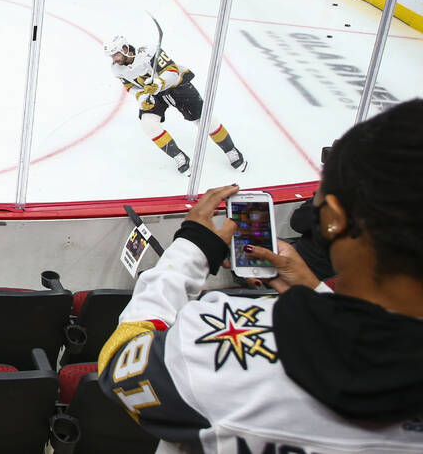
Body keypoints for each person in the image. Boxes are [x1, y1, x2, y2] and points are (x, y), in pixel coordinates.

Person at [98, 99, 423, 452]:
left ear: (333, 218)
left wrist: (192, 250)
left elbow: (122, 367)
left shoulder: (219, 338)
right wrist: (315, 291)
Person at [103, 35, 246, 173]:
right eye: (111, 56)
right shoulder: (117, 69)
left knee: (204, 120)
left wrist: (159, 83)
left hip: (176, 86)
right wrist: (142, 97)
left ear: (125, 49)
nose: (114, 59)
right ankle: (178, 156)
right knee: (149, 124)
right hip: (153, 94)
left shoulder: (149, 52)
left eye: (115, 54)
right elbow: (130, 87)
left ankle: (230, 150)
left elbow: (173, 72)